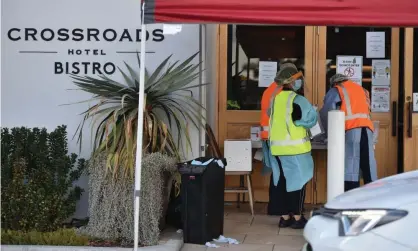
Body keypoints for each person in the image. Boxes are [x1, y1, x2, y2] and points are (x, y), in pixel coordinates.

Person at [268, 63, 317, 229]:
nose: (300, 81)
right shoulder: (298, 100)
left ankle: (284, 218)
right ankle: (297, 218)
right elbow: (311, 119)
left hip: (277, 148)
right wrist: (302, 122)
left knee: (281, 181)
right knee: (298, 182)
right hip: (296, 150)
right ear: (291, 80)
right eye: (297, 78)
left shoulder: (275, 99)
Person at [319, 73, 377, 192]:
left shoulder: (337, 89)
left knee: (351, 162)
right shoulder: (361, 89)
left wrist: (327, 133)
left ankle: (351, 195)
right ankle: (373, 195)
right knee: (368, 163)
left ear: (334, 83)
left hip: (351, 129)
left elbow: (326, 112)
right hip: (367, 128)